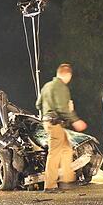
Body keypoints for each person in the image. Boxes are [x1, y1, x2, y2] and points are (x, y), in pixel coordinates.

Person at [36, 63, 87, 191]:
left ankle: (67, 180)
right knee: (54, 153)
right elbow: (61, 108)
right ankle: (50, 185)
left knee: (67, 149)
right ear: (67, 75)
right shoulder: (61, 87)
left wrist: (47, 109)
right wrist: (75, 120)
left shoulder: (47, 86)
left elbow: (38, 104)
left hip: (48, 122)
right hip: (55, 123)